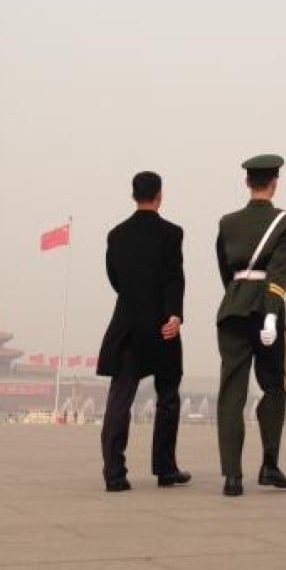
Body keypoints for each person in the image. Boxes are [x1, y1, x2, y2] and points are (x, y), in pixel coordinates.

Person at [97, 171, 190, 492]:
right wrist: (174, 314)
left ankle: (114, 474)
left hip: (126, 324)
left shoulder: (116, 235)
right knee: (167, 397)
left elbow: (115, 278)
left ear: (133, 195)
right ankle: (165, 469)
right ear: (159, 195)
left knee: (120, 398)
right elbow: (173, 277)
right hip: (162, 325)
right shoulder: (171, 233)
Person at [215, 154, 286, 497]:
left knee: (231, 394)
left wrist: (239, 295)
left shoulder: (227, 222)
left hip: (233, 309)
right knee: (274, 388)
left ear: (247, 182)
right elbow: (280, 272)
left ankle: (232, 477)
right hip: (267, 310)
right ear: (274, 182)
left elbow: (225, 269)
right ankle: (269, 465)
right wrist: (270, 314)